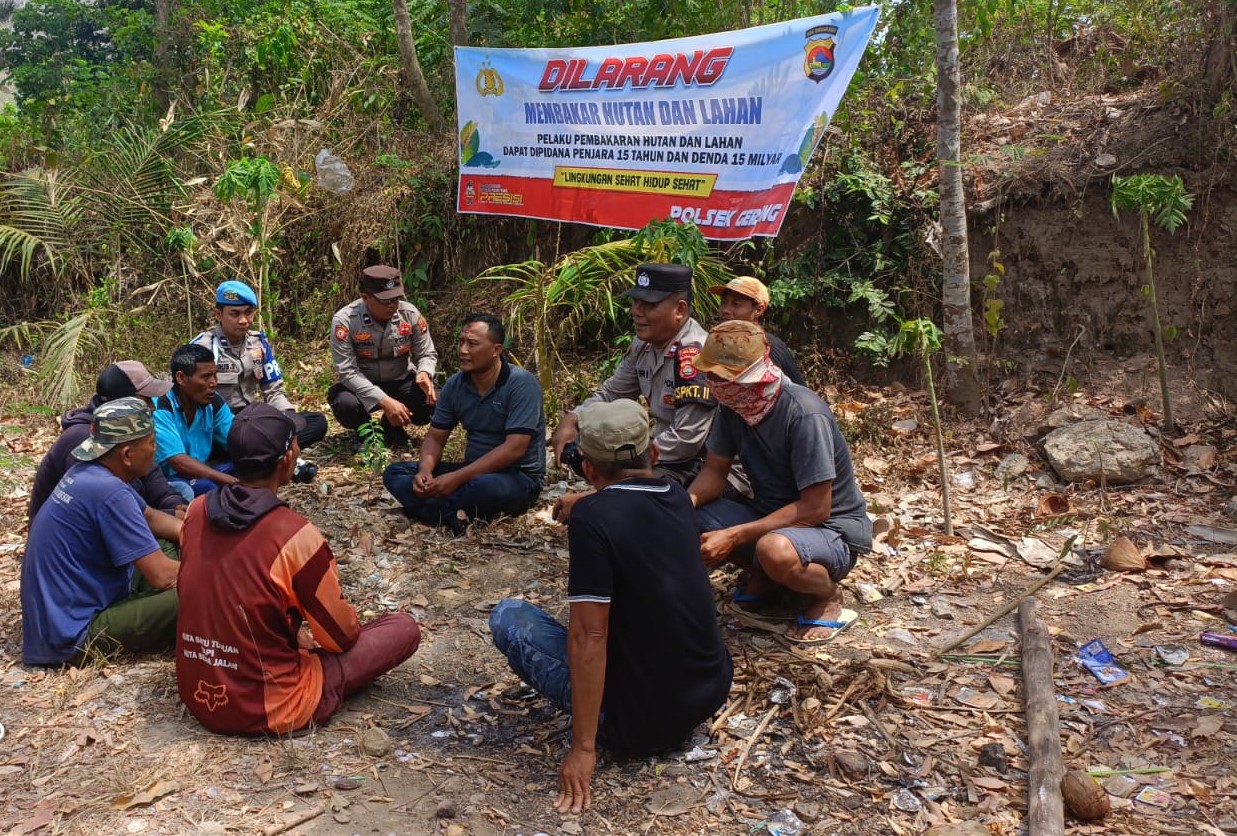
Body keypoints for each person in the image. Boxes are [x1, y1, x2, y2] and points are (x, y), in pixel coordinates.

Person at [490, 400, 732, 814]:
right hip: (706, 694)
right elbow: (627, 500)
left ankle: (600, 726)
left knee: (508, 617)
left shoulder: (593, 520)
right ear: (653, 454)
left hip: (634, 725)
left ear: (587, 468)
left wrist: (583, 748)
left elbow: (590, 636)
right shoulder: (675, 495)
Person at [176, 404, 421, 736]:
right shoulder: (294, 534)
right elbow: (340, 638)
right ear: (287, 460)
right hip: (275, 707)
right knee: (403, 628)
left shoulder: (195, 511)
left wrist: (290, 631)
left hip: (199, 697)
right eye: (295, 443)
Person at [688, 321, 872, 645]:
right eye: (710, 374)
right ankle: (768, 577)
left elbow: (816, 508)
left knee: (773, 550)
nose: (712, 383)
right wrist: (681, 504)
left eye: (720, 376)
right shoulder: (733, 406)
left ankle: (827, 595)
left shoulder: (803, 415)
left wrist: (734, 535)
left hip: (830, 529)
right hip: (771, 515)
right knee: (691, 517)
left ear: (750, 375)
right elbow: (714, 473)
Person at [549, 263, 715, 522]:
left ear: (679, 310)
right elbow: (613, 392)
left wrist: (629, 463)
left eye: (649, 305)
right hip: (660, 455)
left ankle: (611, 499)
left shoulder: (696, 355)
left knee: (609, 491)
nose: (637, 311)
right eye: (636, 302)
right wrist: (574, 418)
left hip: (697, 464)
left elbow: (687, 440)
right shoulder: (644, 345)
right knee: (581, 453)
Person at [21, 398, 182, 666]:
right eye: (152, 443)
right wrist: (215, 570)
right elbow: (164, 576)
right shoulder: (110, 491)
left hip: (58, 621)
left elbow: (149, 517)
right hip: (74, 637)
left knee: (165, 543)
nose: (156, 450)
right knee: (200, 595)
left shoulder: (90, 473)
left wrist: (190, 531)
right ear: (127, 455)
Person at [383, 313, 545, 534]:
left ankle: (434, 512)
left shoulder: (521, 384)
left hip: (517, 477)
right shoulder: (455, 384)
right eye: (461, 342)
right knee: (396, 472)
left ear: (496, 350)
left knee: (484, 487)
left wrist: (456, 479)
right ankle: (453, 514)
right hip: (471, 471)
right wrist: (425, 471)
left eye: (472, 344)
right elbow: (435, 437)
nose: (463, 350)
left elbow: (515, 449)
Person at [190, 279, 328, 463]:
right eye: (235, 314)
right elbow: (191, 401)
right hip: (220, 426)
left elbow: (273, 390)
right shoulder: (203, 348)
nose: (244, 320)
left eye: (249, 313)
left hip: (253, 419)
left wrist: (287, 417)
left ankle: (260, 457)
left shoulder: (259, 343)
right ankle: (268, 457)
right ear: (218, 314)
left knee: (315, 423)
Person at [29, 360, 184, 521]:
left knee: (181, 490)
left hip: (126, 509)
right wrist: (171, 517)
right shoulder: (84, 439)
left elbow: (150, 471)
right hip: (85, 529)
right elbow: (111, 506)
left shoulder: (124, 429)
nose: (152, 407)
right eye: (145, 400)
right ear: (122, 401)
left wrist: (171, 501)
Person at [328, 265, 438, 448]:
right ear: (365, 298)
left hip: (400, 379)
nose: (392, 305)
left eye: (395, 299)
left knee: (433, 402)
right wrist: (384, 401)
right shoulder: (345, 321)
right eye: (385, 301)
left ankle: (391, 425)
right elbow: (347, 371)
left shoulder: (409, 314)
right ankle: (365, 431)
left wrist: (425, 372)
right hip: (362, 384)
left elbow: (426, 352)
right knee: (345, 405)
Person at [153, 343, 236, 499]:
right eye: (205, 377)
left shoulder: (213, 403)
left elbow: (237, 438)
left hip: (202, 470)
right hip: (170, 478)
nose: (213, 383)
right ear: (181, 378)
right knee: (208, 488)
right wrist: (231, 481)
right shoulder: (161, 407)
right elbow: (178, 462)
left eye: (214, 375)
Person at [708, 276, 805, 386]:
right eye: (724, 302)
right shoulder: (721, 345)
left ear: (758, 310)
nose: (725, 310)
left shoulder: (768, 349)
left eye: (736, 304)